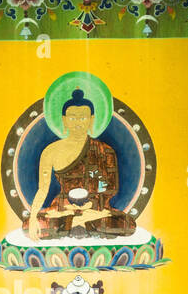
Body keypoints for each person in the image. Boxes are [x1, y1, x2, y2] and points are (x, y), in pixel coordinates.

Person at [26, 88, 135, 240]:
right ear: (64, 120)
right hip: (64, 207)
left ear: (91, 119)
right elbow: (42, 190)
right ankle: (82, 223)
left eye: (83, 118)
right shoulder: (51, 151)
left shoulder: (104, 150)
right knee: (29, 225)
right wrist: (32, 218)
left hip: (96, 209)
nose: (78, 123)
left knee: (128, 224)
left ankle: (74, 223)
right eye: (72, 117)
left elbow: (108, 188)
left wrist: (93, 207)